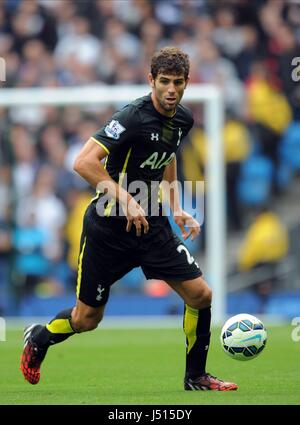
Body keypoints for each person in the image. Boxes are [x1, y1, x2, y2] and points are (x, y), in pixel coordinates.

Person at [20, 47, 238, 391]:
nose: (170, 89)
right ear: (151, 80)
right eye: (164, 81)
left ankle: (195, 377)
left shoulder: (183, 119)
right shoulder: (132, 117)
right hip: (108, 230)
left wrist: (176, 206)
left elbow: (167, 156)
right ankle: (40, 338)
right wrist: (125, 199)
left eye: (177, 83)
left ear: (186, 83)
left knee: (201, 295)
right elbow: (82, 162)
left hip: (152, 227)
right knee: (86, 319)